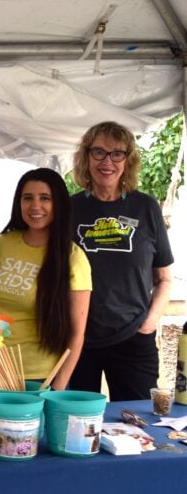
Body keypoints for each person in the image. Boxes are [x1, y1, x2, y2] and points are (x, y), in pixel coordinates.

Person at [68, 122, 174, 400]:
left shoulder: (146, 207)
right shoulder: (70, 209)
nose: (107, 162)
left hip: (133, 337)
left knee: (136, 422)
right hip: (79, 338)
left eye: (117, 154)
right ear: (86, 157)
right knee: (76, 426)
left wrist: (148, 323)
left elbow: (163, 278)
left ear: (128, 160)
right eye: (99, 152)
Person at [0, 168, 92, 390]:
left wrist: (58, 388)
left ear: (58, 204)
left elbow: (76, 334)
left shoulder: (73, 257)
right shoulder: (2, 244)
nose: (35, 206)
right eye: (27, 198)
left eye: (45, 198)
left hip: (43, 379)